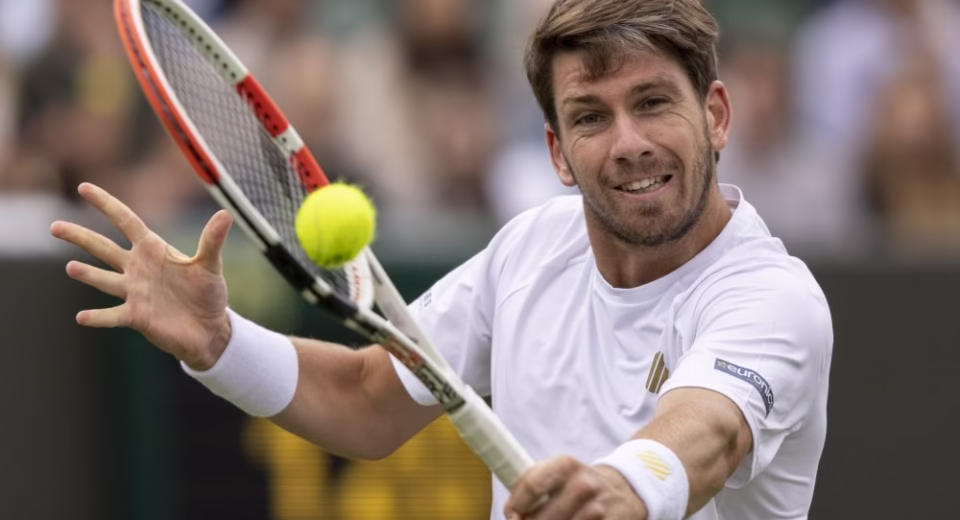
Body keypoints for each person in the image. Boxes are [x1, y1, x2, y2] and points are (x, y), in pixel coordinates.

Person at [50, 0, 833, 518]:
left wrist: (623, 489)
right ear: (558, 154)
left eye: (654, 102)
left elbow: (710, 432)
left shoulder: (771, 299)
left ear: (717, 115)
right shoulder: (528, 251)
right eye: (592, 117)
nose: (628, 143)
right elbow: (365, 400)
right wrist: (221, 345)